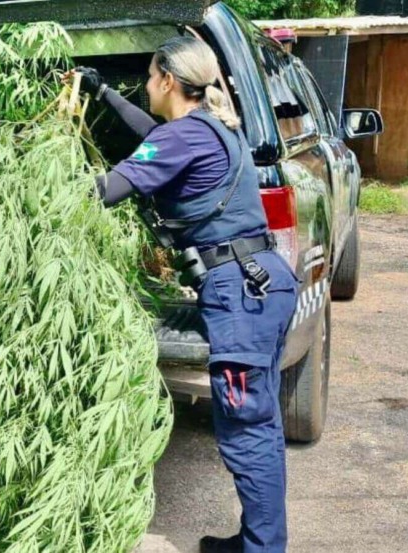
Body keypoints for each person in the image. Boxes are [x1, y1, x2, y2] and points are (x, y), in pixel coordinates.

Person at [67, 36, 298, 553]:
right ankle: (257, 540)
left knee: (245, 428)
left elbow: (107, 190)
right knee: (260, 423)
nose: (146, 86)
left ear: (168, 80)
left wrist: (38, 186)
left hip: (240, 295)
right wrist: (105, 95)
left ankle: (263, 550)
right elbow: (155, 137)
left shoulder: (182, 138)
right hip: (264, 284)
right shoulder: (209, 128)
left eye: (149, 78)